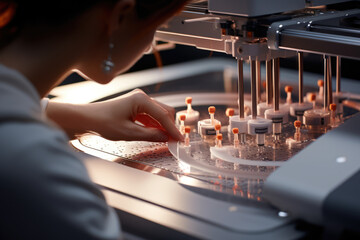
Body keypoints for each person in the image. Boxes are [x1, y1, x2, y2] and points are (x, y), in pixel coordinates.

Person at [0, 0, 187, 239]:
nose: (150, 45)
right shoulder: (34, 162)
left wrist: (83, 117)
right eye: (156, 26)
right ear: (120, 16)